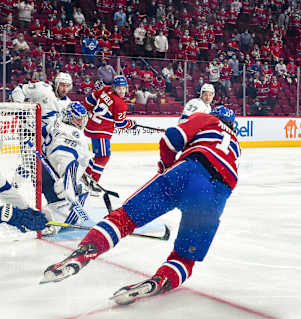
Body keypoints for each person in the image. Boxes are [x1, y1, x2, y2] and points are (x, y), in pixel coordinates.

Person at [41, 106, 241, 306]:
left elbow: (171, 138)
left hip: (189, 172)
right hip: (217, 195)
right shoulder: (237, 146)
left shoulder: (208, 119)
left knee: (124, 218)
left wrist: (165, 167)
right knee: (185, 257)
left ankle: (84, 253)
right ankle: (161, 280)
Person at [82, 75, 136, 195]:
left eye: (123, 88)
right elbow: (120, 123)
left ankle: (85, 175)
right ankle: (93, 182)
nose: (121, 91)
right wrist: (131, 124)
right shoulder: (121, 104)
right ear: (114, 87)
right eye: (119, 88)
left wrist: (88, 110)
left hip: (92, 125)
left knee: (99, 155)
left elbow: (89, 99)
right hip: (101, 130)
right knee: (104, 156)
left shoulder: (106, 89)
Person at [41, 102, 92, 228]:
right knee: (80, 190)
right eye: (78, 119)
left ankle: (55, 212)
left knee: (66, 194)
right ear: (70, 117)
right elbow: (65, 156)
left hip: (42, 168)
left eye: (82, 119)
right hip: (55, 175)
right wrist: (68, 182)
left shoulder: (55, 122)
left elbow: (42, 133)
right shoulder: (76, 134)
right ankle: (53, 221)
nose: (81, 122)